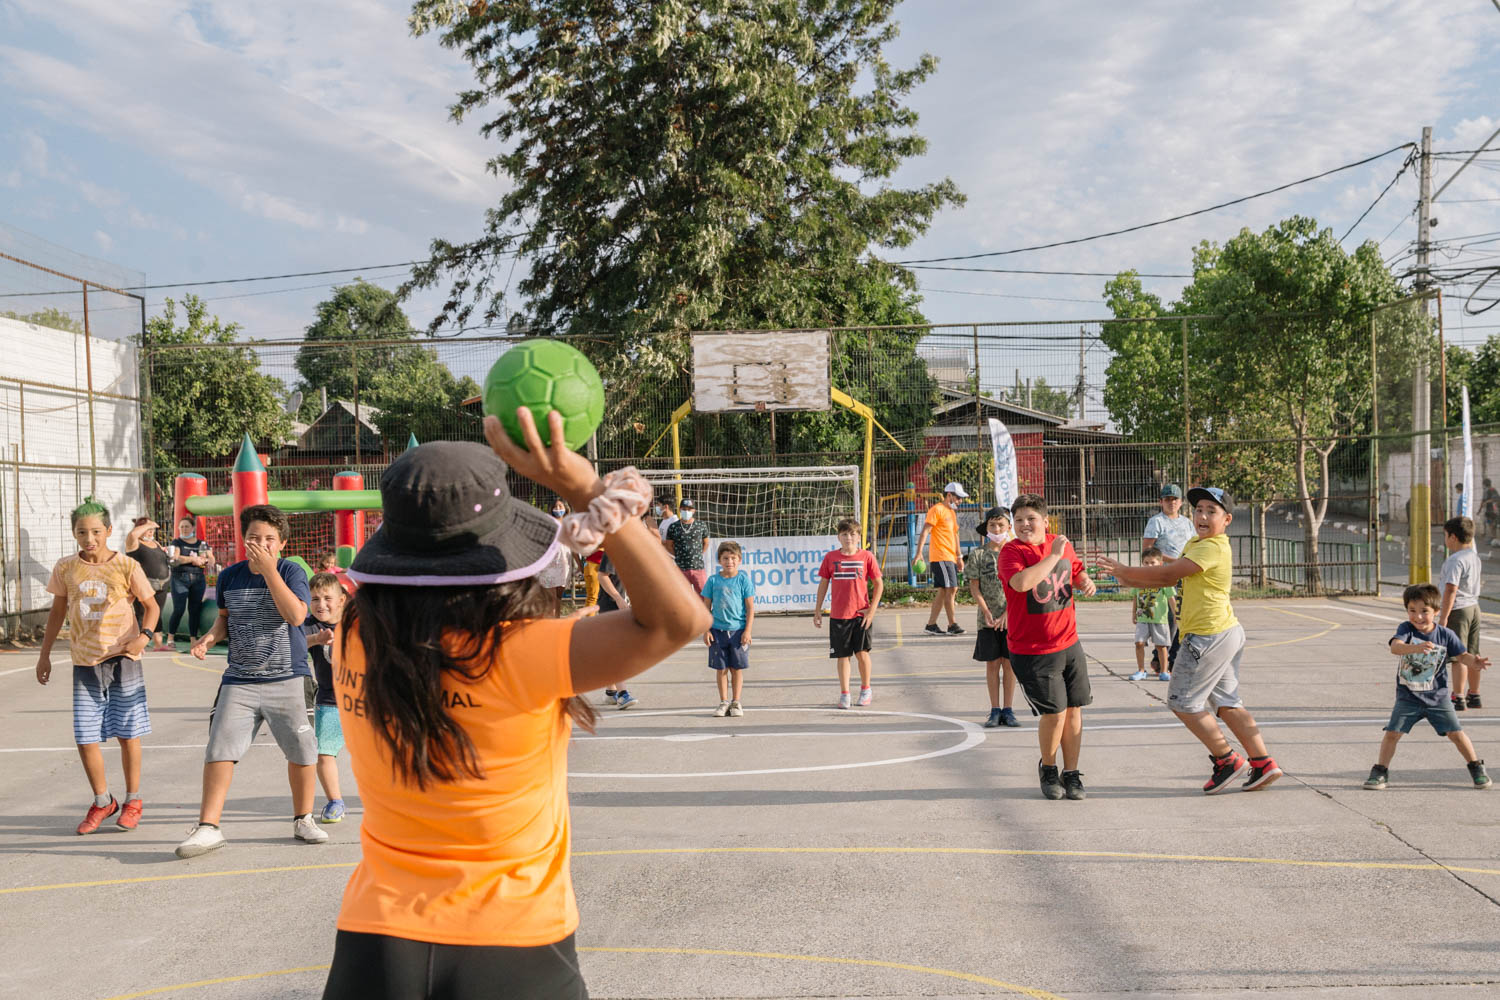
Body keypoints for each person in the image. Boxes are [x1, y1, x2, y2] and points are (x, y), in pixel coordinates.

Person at [318, 411, 710, 1000]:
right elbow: (679, 621)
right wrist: (589, 492)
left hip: (374, 942)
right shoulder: (525, 651)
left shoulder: (355, 632)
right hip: (513, 940)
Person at [1100, 487, 1282, 795]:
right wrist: (1126, 578)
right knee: (1226, 703)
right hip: (1224, 632)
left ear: (1227, 520)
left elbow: (1166, 575)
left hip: (1207, 636)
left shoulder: (1212, 548)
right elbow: (1171, 576)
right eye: (1199, 510)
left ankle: (1227, 760)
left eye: (1212, 511)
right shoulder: (1196, 543)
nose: (1203, 516)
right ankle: (1263, 762)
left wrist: (1125, 571)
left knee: (1182, 701)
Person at [176, 504, 329, 858]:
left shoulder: (291, 572)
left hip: (288, 676)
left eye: (269, 539)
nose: (261, 544)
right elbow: (224, 620)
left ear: (282, 543)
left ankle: (303, 818)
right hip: (239, 679)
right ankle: (208, 826)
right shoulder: (230, 576)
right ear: (243, 540)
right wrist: (209, 639)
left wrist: (270, 571)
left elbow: (296, 615)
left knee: (302, 750)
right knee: (220, 749)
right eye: (254, 537)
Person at [35, 497, 159, 834]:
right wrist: (44, 655)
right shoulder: (66, 568)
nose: (89, 538)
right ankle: (103, 801)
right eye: (81, 532)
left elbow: (151, 607)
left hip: (122, 660)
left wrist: (144, 638)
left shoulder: (126, 566)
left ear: (108, 531)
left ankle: (133, 800)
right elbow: (57, 613)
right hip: (85, 663)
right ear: (74, 533)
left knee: (127, 733)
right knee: (85, 735)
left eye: (95, 532)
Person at [999, 493, 1097, 800]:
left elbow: (1075, 569)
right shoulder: (1011, 552)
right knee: (1054, 713)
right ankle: (1049, 768)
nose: (1024, 525)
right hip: (1032, 649)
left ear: (1045, 521)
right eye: (1018, 520)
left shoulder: (1060, 543)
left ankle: (1072, 773)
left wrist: (1084, 580)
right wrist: (1053, 557)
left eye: (1031, 519)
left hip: (1068, 642)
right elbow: (1021, 583)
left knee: (1074, 710)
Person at [1364, 583, 1491, 790]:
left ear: (1436, 611)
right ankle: (1380, 772)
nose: (1418, 617)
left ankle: (1476, 768)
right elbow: (1395, 647)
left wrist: (1474, 662)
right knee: (1392, 733)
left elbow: (1461, 655)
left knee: (1456, 734)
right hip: (1408, 697)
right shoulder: (1406, 629)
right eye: (1412, 610)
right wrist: (1415, 648)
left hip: (1437, 698)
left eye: (1424, 611)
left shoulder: (1445, 634)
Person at [813, 518, 883, 709]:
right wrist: (817, 610)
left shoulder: (867, 556)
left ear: (859, 537)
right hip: (839, 615)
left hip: (860, 615)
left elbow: (879, 584)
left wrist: (871, 610)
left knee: (862, 654)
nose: (848, 538)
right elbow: (823, 584)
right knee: (842, 656)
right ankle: (845, 694)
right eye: (844, 534)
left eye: (852, 534)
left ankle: (866, 690)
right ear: (838, 537)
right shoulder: (831, 557)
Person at [966, 506, 1020, 728]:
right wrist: (987, 611)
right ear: (986, 527)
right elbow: (974, 587)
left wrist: (1007, 613)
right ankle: (995, 709)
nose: (997, 529)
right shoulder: (978, 554)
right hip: (987, 620)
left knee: (1009, 665)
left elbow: (1020, 587)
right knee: (992, 664)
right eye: (992, 525)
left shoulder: (1015, 552)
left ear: (1009, 527)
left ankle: (1008, 709)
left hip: (1012, 618)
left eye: (1000, 525)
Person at [302, 572, 347, 824]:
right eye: (315, 599)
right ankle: (335, 801)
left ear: (341, 600)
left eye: (327, 598)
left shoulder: (357, 623)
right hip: (330, 701)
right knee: (325, 753)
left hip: (365, 702)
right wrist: (317, 639)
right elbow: (296, 643)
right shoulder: (310, 625)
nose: (321, 604)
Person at [701, 540, 755, 717]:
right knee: (721, 668)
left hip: (738, 631)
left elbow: (750, 608)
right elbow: (705, 607)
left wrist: (747, 631)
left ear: (739, 560)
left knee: (736, 669)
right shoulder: (713, 581)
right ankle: (724, 702)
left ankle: (736, 702)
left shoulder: (743, 580)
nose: (729, 561)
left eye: (733, 558)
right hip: (717, 631)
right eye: (725, 558)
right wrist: (706, 630)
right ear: (719, 560)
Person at [1142, 484, 1192, 669]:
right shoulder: (1157, 522)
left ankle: (1170, 656)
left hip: (1184, 574)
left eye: (1175, 499)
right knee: (1168, 616)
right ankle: (1163, 657)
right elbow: (1148, 549)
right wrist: (1173, 560)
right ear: (1161, 502)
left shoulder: (1187, 523)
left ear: (1181, 502)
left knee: (1182, 616)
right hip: (1165, 575)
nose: (1171, 503)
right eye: (1167, 499)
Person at [1437, 515, 1483, 711]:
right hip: (1474, 608)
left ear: (1453, 537)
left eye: (1445, 535)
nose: (1445, 540)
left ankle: (1458, 696)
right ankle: (1474, 694)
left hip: (1458, 609)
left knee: (1459, 655)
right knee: (1473, 653)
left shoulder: (1455, 560)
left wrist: (1443, 617)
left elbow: (1451, 589)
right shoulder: (1474, 557)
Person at [916, 482, 967, 636]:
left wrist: (959, 556)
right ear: (949, 495)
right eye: (958, 497)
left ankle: (931, 625)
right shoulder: (936, 509)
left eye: (961, 498)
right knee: (952, 588)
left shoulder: (951, 512)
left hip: (950, 557)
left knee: (944, 590)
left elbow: (955, 535)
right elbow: (925, 531)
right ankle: (952, 625)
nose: (960, 501)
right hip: (941, 556)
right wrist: (919, 553)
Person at [125, 517, 173, 652]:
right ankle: (138, 643)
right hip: (144, 584)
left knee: (157, 612)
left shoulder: (155, 542)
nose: (151, 531)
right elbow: (132, 534)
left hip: (162, 584)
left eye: (152, 529)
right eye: (148, 529)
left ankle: (158, 643)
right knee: (141, 613)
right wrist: (147, 525)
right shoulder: (133, 543)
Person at [167, 516, 213, 647]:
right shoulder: (177, 542)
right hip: (180, 578)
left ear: (193, 528)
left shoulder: (202, 544)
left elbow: (211, 559)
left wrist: (205, 560)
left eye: (187, 526)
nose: (184, 529)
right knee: (179, 609)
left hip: (198, 579)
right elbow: (176, 558)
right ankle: (170, 638)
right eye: (181, 527)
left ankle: (193, 639)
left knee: (195, 609)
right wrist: (193, 559)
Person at [1130, 547, 1174, 681]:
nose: (1149, 565)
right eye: (1146, 562)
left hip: (1159, 619)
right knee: (1139, 643)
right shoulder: (1139, 579)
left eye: (1152, 562)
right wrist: (1133, 613)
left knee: (1161, 646)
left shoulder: (1164, 580)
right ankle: (1141, 670)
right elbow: (1135, 597)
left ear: (1160, 563)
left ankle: (1164, 671)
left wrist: (1176, 615)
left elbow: (1171, 598)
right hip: (1143, 617)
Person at [664, 498, 711, 593]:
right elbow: (669, 545)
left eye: (689, 509)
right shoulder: (673, 526)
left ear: (694, 510)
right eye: (684, 509)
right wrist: (679, 556)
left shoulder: (701, 525)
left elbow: (706, 543)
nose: (686, 511)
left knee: (703, 595)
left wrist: (698, 554)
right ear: (680, 509)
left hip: (698, 567)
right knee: (682, 595)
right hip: (681, 569)